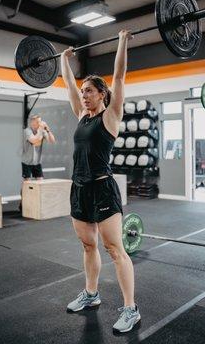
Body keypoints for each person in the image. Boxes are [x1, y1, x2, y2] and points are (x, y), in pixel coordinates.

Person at [61, 30, 140, 334]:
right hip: (79, 188)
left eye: (89, 91)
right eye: (83, 92)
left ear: (102, 95)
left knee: (114, 249)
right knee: (87, 244)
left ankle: (130, 309)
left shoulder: (110, 117)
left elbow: (119, 78)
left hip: (102, 187)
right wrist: (64, 60)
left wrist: (121, 41)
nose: (83, 95)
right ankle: (91, 294)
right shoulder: (81, 115)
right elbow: (67, 83)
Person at [21, 114, 56, 181]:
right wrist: (40, 129)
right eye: (38, 122)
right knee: (27, 183)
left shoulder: (42, 131)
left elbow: (52, 141)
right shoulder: (27, 131)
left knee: (40, 182)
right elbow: (34, 140)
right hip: (26, 162)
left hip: (37, 162)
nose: (40, 124)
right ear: (32, 123)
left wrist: (47, 130)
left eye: (40, 121)